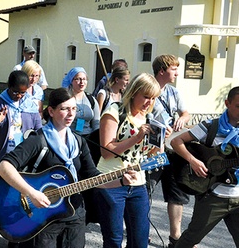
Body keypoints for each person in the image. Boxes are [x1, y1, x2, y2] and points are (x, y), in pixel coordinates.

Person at [0, 87, 138, 247]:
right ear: (51, 111)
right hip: (43, 218)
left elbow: (93, 177)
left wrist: (121, 181)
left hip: (74, 215)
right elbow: (4, 166)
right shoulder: (39, 140)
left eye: (74, 108)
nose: (71, 114)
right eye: (65, 109)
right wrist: (32, 193)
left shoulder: (79, 142)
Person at [95, 73, 161, 248]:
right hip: (111, 181)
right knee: (114, 240)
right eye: (146, 97)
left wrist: (159, 144)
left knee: (140, 241)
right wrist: (137, 137)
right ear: (133, 92)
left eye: (153, 98)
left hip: (138, 183)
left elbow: (148, 156)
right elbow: (106, 151)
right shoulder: (114, 111)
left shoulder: (148, 118)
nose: (149, 102)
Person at [171, 86, 239, 247]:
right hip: (212, 196)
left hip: (238, 196)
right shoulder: (211, 127)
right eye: (238, 106)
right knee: (190, 239)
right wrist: (193, 160)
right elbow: (176, 141)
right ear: (227, 103)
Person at [0, 70, 42, 235]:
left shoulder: (30, 106)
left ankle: (11, 232)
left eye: (23, 92)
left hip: (21, 161)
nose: (19, 96)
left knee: (15, 199)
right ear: (8, 87)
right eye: (15, 92)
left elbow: (39, 131)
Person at [151, 54, 191, 247]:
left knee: (176, 193)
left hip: (171, 149)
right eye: (174, 69)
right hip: (151, 150)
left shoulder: (174, 92)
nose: (177, 72)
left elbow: (185, 112)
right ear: (162, 71)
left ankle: (175, 238)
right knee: (145, 191)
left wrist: (183, 118)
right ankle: (140, 230)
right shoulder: (146, 89)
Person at [61, 67, 100, 137]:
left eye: (84, 79)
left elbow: (96, 122)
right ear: (71, 81)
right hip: (69, 137)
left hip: (88, 138)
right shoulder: (65, 99)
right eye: (78, 79)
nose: (82, 82)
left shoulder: (91, 99)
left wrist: (96, 136)